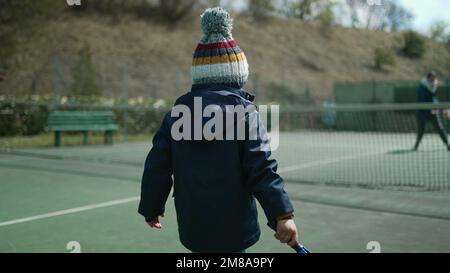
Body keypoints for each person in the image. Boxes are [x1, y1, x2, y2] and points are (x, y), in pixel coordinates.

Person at [138, 7, 298, 253]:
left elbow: (156, 168)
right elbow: (261, 169)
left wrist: (151, 207)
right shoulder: (245, 114)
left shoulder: (175, 117)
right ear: (238, 77)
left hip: (193, 227)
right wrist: (282, 214)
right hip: (236, 228)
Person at [413, 71, 450, 151]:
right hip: (422, 112)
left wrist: (439, 108)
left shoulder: (434, 86)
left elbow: (434, 99)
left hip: (433, 111)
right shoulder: (422, 87)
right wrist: (432, 109)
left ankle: (447, 144)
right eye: (431, 78)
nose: (433, 80)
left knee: (440, 128)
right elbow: (422, 100)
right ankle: (416, 145)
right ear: (428, 78)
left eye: (434, 78)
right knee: (421, 129)